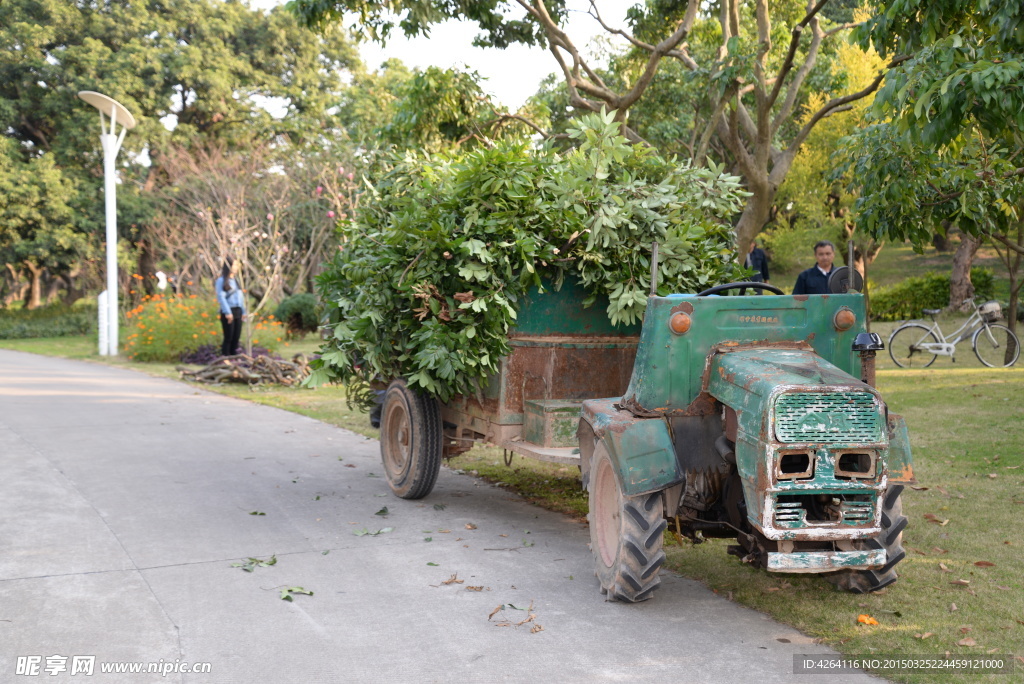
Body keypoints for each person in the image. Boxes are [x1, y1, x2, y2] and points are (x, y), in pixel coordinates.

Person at [215, 257, 246, 356]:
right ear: (228, 266)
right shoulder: (221, 281)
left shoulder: (236, 280)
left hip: (238, 311)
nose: (237, 267)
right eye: (235, 265)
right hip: (228, 311)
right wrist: (228, 312)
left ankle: (234, 359)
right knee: (228, 337)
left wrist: (243, 312)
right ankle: (225, 359)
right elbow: (221, 297)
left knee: (236, 337)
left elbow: (241, 297)